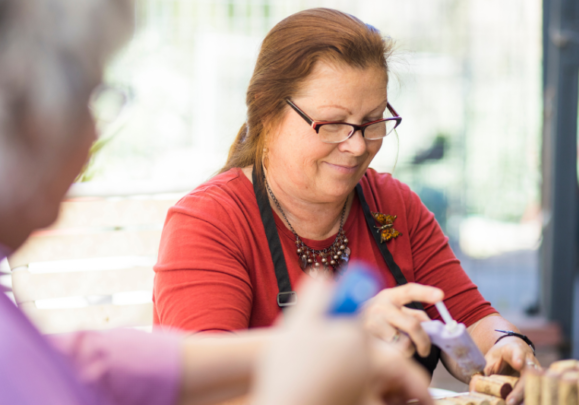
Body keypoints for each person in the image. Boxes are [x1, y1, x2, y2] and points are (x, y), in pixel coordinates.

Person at [0, 1, 433, 404]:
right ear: (28, 116)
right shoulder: (212, 216)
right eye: (90, 98)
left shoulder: (391, 198)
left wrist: (303, 347)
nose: (94, 135)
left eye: (372, 122)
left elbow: (92, 360)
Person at [153, 7, 540, 405]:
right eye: (332, 124)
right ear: (266, 113)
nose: (357, 146)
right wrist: (346, 337)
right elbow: (206, 392)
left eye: (373, 122)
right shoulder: (209, 222)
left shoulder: (394, 206)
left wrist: (506, 347)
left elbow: (471, 316)